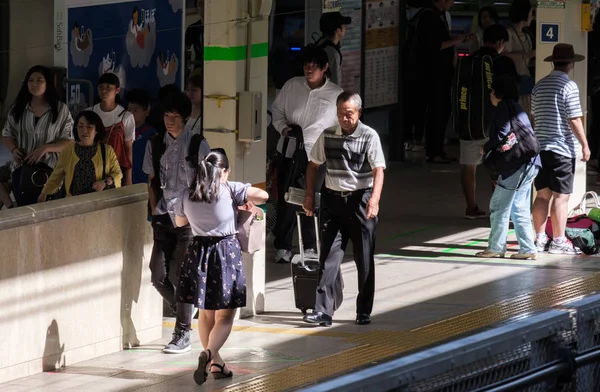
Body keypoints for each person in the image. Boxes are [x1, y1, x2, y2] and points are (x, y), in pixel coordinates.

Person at [174, 150, 268, 385]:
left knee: (206, 312)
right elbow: (263, 195)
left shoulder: (187, 193)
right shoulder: (228, 189)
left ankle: (216, 363)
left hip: (199, 252)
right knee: (225, 315)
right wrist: (245, 199)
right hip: (225, 253)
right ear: (223, 171)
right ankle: (207, 354)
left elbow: (179, 221)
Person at [302, 91, 385, 326]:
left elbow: (379, 170)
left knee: (364, 258)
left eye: (348, 114)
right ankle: (323, 312)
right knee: (328, 257)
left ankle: (364, 311)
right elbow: (313, 165)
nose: (344, 118)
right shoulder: (328, 135)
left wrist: (374, 200)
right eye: (340, 113)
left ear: (358, 113)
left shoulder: (369, 136)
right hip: (333, 201)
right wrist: (310, 195)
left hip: (361, 201)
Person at [142, 91, 211, 354]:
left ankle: (182, 333)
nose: (169, 121)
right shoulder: (154, 143)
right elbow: (150, 180)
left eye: (175, 117)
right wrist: (153, 210)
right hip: (163, 216)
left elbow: (208, 184)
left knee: (182, 275)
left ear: (185, 118)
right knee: (157, 275)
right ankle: (186, 307)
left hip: (189, 220)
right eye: (166, 116)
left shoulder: (197, 144)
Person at [271, 46, 343, 263]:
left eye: (314, 66)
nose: (309, 70)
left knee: (312, 200)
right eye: (306, 65)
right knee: (286, 199)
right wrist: (284, 129)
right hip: (290, 153)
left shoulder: (335, 94)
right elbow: (277, 111)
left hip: (318, 158)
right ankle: (282, 245)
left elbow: (341, 128)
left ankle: (310, 246)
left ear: (325, 68)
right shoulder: (292, 85)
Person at [456, 24, 519, 220]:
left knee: (468, 165)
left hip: (470, 123)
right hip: (495, 124)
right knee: (497, 166)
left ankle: (471, 207)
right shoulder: (502, 62)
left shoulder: (468, 61)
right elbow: (513, 91)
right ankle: (497, 209)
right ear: (500, 42)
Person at [532, 44, 589, 255]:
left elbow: (535, 115)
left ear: (553, 62)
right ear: (571, 63)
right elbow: (574, 118)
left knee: (542, 195)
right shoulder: (569, 86)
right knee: (561, 197)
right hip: (562, 150)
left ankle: (538, 239)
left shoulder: (539, 85)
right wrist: (585, 144)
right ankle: (558, 241)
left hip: (540, 149)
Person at [476, 77, 541, 260]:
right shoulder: (517, 107)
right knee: (519, 207)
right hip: (531, 162)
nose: (490, 94)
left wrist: (486, 147)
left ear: (499, 93)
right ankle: (528, 248)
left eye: (492, 91)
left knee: (499, 205)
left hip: (516, 165)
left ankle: (496, 247)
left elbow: (503, 134)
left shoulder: (504, 107)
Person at [2, 65, 74, 206]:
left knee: (48, 210)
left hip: (51, 169)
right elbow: (7, 133)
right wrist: (14, 149)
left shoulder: (60, 109)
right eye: (31, 80)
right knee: (26, 210)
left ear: (48, 83)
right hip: (22, 168)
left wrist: (45, 148)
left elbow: (69, 141)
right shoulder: (18, 108)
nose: (34, 84)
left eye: (39, 80)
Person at [407, 0, 468, 163]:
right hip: (433, 76)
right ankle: (434, 152)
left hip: (438, 74)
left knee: (441, 112)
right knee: (437, 112)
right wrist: (457, 40)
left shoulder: (435, 15)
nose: (452, 3)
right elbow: (434, 46)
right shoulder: (429, 17)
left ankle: (438, 150)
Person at [38, 110, 122, 201]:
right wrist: (44, 193)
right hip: (74, 203)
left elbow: (118, 174)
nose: (84, 130)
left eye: (89, 126)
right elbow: (56, 175)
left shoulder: (107, 150)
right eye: (81, 126)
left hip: (99, 202)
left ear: (96, 130)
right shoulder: (68, 150)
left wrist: (105, 182)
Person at [89, 72, 135, 186]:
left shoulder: (126, 116)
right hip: (92, 168)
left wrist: (128, 177)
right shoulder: (89, 113)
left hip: (116, 171)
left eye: (109, 87)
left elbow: (128, 149)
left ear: (117, 90)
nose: (104, 91)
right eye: (101, 87)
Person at [503, 0, 535, 116]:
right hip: (514, 81)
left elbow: (526, 62)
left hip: (525, 81)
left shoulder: (527, 35)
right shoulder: (508, 33)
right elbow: (504, 56)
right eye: (531, 13)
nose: (532, 17)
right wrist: (528, 55)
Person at [126, 88, 157, 185]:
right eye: (129, 110)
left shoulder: (151, 135)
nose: (131, 113)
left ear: (146, 111)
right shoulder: (123, 132)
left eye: (135, 110)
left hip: (144, 182)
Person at [318, 11, 352, 86]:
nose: (345, 28)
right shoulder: (332, 53)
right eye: (343, 25)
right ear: (338, 31)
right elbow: (335, 82)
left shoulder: (321, 43)